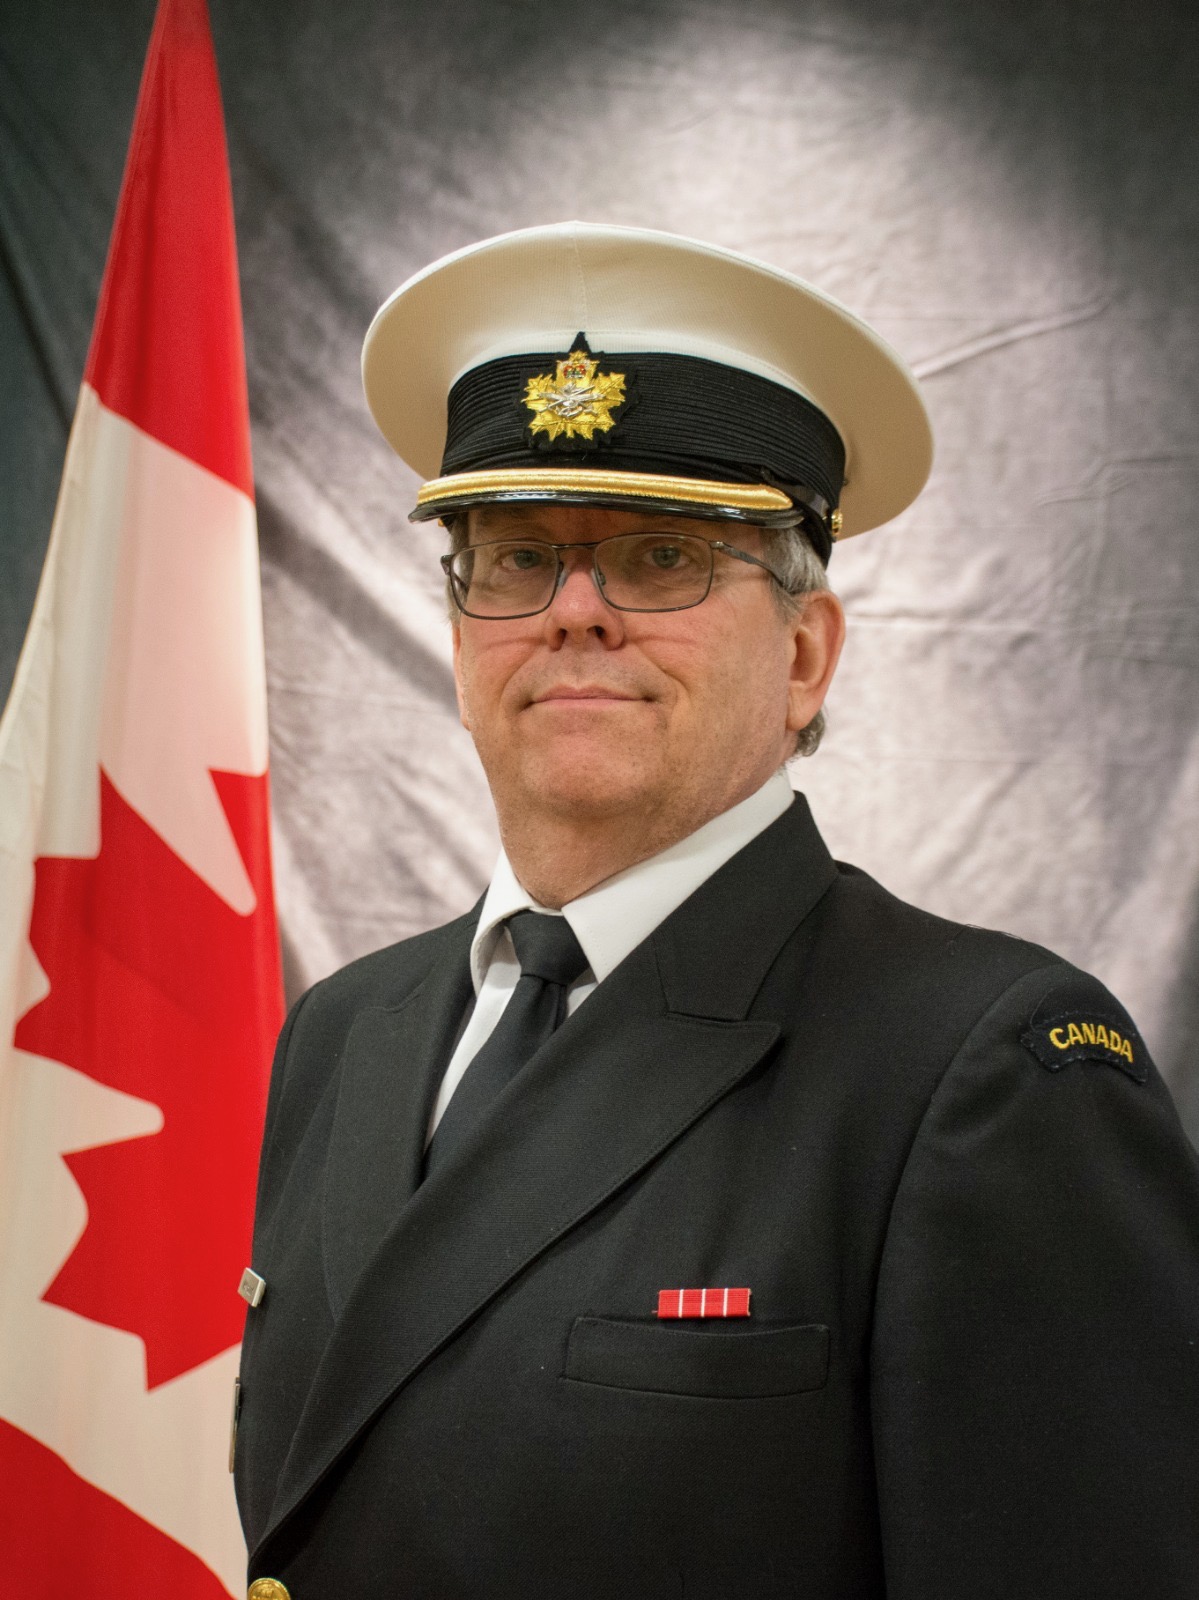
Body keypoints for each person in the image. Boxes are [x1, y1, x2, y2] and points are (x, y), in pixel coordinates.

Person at [233, 223, 1199, 1600]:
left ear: (805, 653)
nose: (574, 612)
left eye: (661, 556)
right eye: (514, 558)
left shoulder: (984, 1073)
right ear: (458, 637)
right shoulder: (342, 1029)